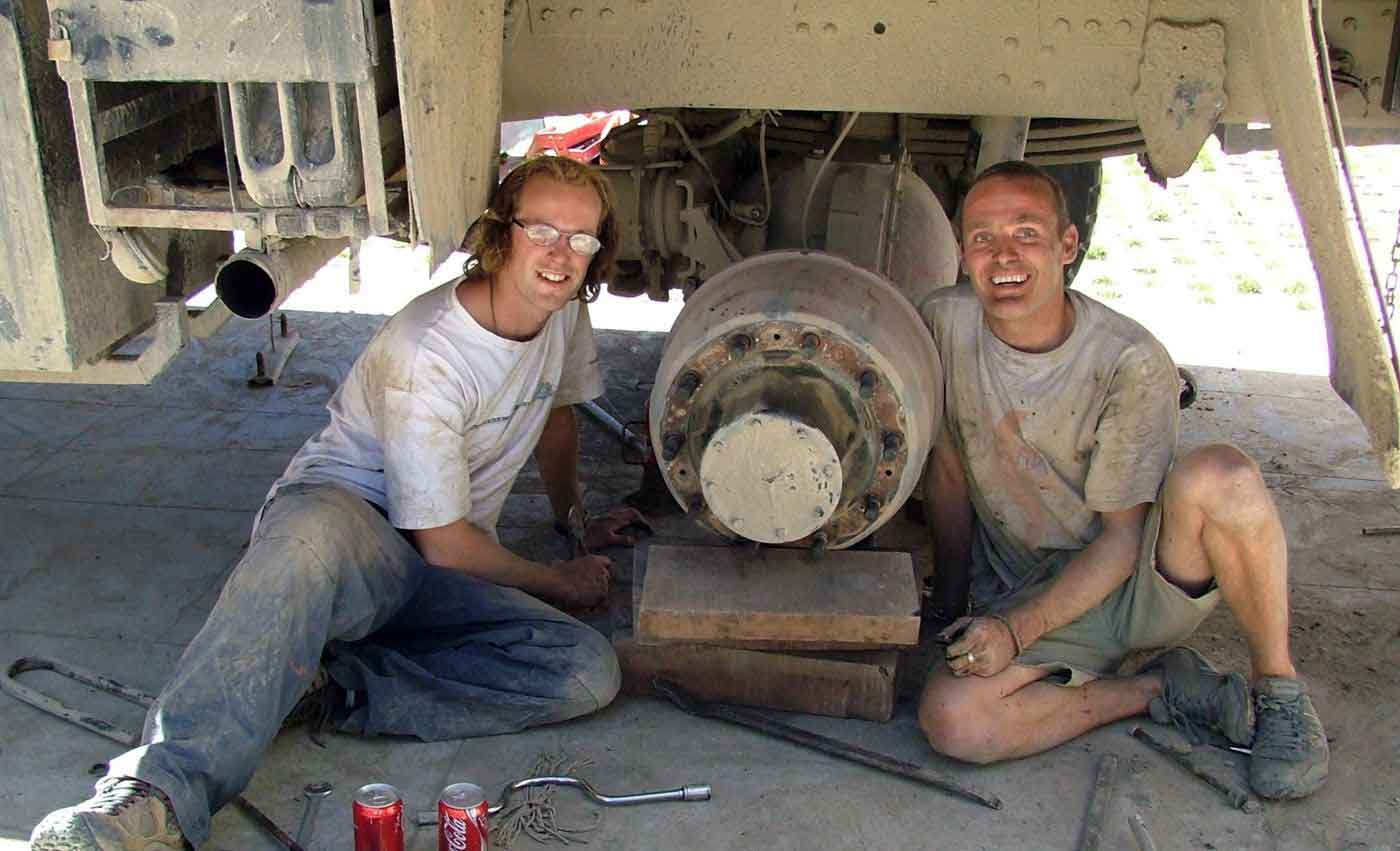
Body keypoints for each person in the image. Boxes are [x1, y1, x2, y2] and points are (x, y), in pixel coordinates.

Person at [31, 156, 644, 851]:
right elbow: (443, 543)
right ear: (503, 233)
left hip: (434, 570)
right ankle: (155, 794)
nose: (561, 255)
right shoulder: (429, 352)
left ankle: (327, 688)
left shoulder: (562, 313)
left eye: (581, 238)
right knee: (311, 537)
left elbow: (558, 413)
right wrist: (555, 578)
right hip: (358, 539)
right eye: (543, 231)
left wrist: (577, 522)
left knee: (584, 670)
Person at [915, 160, 1328, 800]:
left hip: (1131, 582)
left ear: (1068, 245)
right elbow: (946, 474)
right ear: (962, 251)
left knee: (1224, 478)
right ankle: (1159, 690)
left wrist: (1016, 633)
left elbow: (1120, 539)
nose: (1004, 257)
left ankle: (1279, 695)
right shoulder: (942, 325)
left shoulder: (1130, 361)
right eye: (983, 238)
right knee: (955, 722)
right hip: (1025, 585)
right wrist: (949, 605)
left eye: (1026, 233)